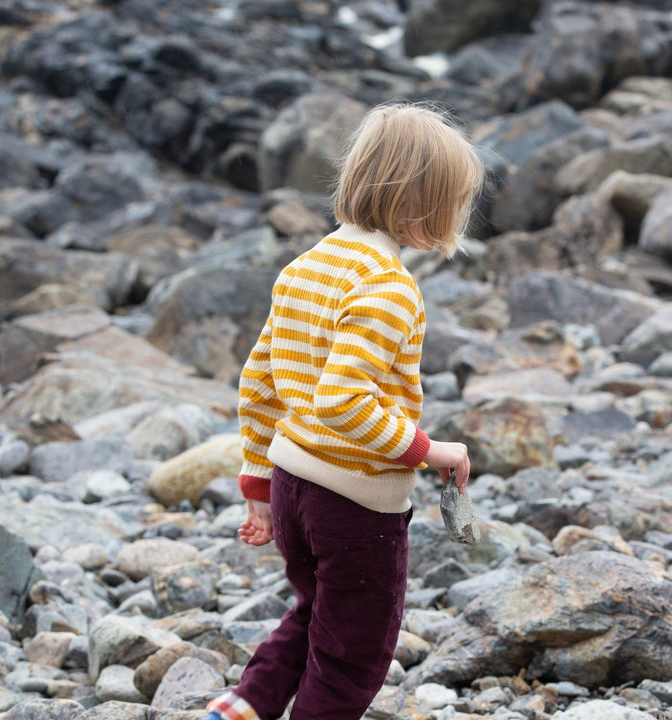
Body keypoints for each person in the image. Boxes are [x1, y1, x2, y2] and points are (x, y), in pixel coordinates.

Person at [202, 101, 484, 720]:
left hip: (292, 489)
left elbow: (258, 382)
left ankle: (242, 707)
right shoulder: (387, 285)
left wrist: (258, 485)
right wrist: (432, 450)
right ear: (420, 202)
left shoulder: (307, 267)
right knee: (352, 654)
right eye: (452, 201)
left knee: (313, 617)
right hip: (354, 506)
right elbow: (345, 402)